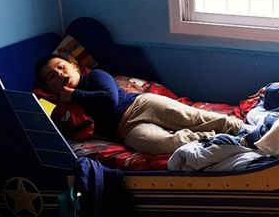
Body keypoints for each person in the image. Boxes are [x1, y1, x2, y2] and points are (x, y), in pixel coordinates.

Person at [35, 55, 247, 155]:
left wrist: (75, 96)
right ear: (49, 87)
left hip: (141, 105)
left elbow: (109, 99)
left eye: (61, 67)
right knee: (160, 144)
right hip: (126, 129)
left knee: (193, 117)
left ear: (74, 67)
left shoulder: (95, 76)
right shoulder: (63, 105)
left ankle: (241, 128)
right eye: (52, 76)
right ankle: (219, 140)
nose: (60, 74)